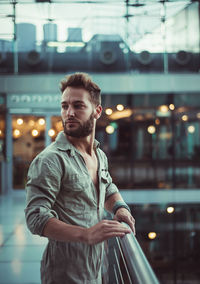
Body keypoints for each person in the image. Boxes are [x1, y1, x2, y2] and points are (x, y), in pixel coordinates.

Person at [25, 72, 135, 284]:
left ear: (97, 111)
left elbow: (107, 186)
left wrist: (120, 207)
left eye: (78, 106)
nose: (69, 113)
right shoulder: (50, 160)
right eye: (64, 106)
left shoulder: (98, 154)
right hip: (65, 274)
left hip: (95, 269)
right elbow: (35, 218)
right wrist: (86, 234)